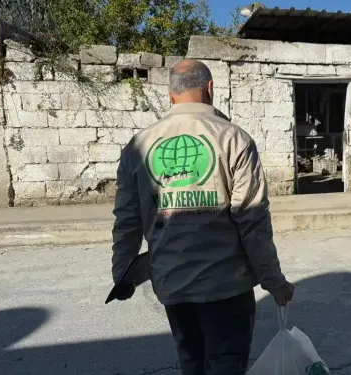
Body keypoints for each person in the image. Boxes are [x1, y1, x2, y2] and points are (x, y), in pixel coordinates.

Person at [110, 59, 294, 375]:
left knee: (191, 362)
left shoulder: (137, 146)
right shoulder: (234, 139)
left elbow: (126, 220)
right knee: (225, 365)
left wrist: (122, 274)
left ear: (170, 96)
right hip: (226, 287)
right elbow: (252, 221)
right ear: (210, 88)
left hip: (172, 284)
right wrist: (274, 281)